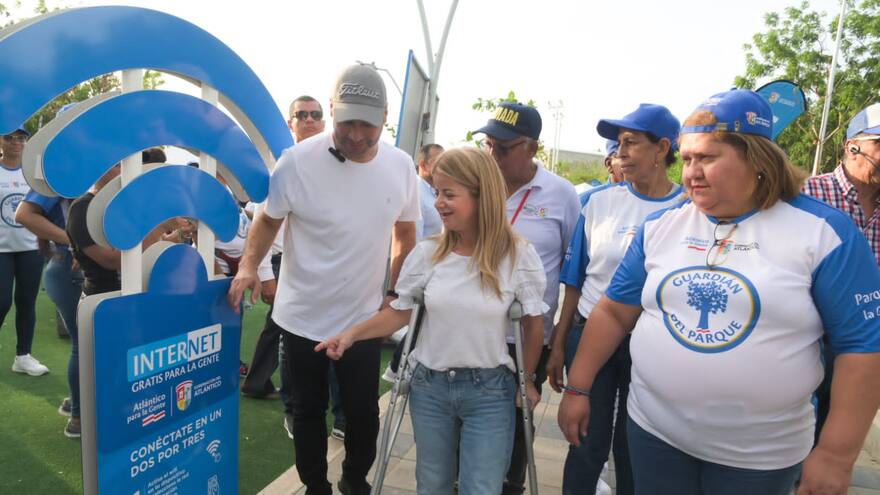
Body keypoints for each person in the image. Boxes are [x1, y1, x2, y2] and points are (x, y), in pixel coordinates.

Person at [557, 89, 880, 495]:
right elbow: (613, 312)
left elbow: (863, 349)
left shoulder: (824, 234)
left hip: (759, 459)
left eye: (707, 157)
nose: (690, 172)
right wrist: (578, 387)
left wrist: (835, 454)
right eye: (687, 158)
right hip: (655, 436)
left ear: (757, 158)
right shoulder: (662, 226)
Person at [228, 63, 419, 495]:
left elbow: (405, 233)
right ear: (332, 109)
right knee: (307, 410)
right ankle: (315, 486)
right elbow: (266, 222)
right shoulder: (296, 162)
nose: (355, 134)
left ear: (385, 117)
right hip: (301, 316)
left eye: (367, 125)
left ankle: (355, 481)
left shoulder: (400, 166)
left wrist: (393, 294)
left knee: (363, 416)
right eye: (346, 121)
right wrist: (247, 266)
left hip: (364, 319)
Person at [317, 147, 546, 495]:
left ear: (481, 195)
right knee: (432, 485)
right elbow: (400, 312)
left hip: (489, 390)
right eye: (437, 192)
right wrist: (352, 335)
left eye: (449, 194)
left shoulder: (517, 256)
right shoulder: (427, 254)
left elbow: (532, 323)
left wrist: (527, 381)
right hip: (430, 387)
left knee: (481, 488)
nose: (439, 202)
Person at [547, 103, 684, 495]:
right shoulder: (597, 202)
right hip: (590, 334)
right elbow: (574, 281)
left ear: (662, 149)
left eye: (632, 143)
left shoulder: (687, 209)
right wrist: (559, 344)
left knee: (634, 447)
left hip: (651, 342)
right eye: (619, 143)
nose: (620, 152)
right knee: (585, 441)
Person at [472, 101, 580, 495]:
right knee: (467, 426)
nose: (492, 155)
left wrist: (560, 342)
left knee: (517, 430)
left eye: (503, 148)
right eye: (488, 145)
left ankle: (510, 486)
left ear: (532, 148)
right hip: (473, 332)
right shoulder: (477, 185)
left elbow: (573, 276)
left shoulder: (562, 195)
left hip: (528, 338)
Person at [244, 94, 347, 442]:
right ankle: (293, 408)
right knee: (290, 337)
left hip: (333, 269)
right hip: (285, 264)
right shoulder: (283, 166)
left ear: (325, 120)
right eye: (300, 115)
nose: (308, 120)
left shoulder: (344, 163)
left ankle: (338, 414)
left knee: (335, 336)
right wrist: (265, 274)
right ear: (290, 124)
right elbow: (263, 222)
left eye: (315, 114)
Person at [802, 103, 880, 442]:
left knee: (842, 428)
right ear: (853, 147)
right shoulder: (807, 194)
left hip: (864, 342)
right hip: (809, 336)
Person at [0, 128, 49, 377]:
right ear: (1, 140)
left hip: (30, 248)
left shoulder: (34, 173)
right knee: (2, 302)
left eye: (21, 138)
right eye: (10, 137)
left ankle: (23, 356)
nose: (16, 143)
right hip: (1, 250)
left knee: (26, 302)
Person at [416, 143, 444, 239]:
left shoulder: (438, 192)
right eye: (438, 161)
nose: (444, 166)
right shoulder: (416, 193)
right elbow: (414, 242)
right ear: (423, 165)